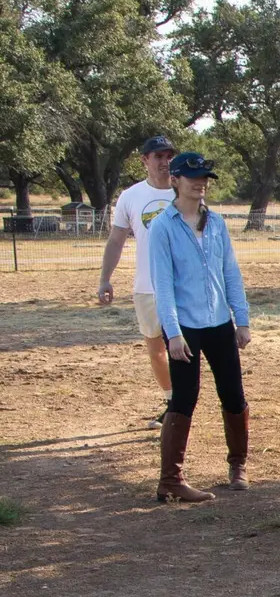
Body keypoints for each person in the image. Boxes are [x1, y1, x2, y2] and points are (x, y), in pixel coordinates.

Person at [148, 151, 252, 503]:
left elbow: (231, 273)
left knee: (233, 394)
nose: (201, 182)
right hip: (185, 327)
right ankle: (170, 480)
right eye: (193, 176)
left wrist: (242, 319)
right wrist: (173, 333)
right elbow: (162, 285)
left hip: (220, 322)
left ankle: (238, 467)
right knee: (184, 398)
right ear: (174, 180)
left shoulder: (217, 224)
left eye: (205, 176)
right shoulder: (162, 227)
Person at [97, 136, 178, 427]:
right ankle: (172, 401)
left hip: (180, 288)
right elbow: (117, 239)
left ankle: (181, 407)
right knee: (156, 352)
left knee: (180, 347)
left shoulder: (184, 191)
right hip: (146, 287)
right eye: (158, 156)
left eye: (168, 156)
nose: (164, 162)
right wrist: (105, 279)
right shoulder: (130, 197)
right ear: (144, 160)